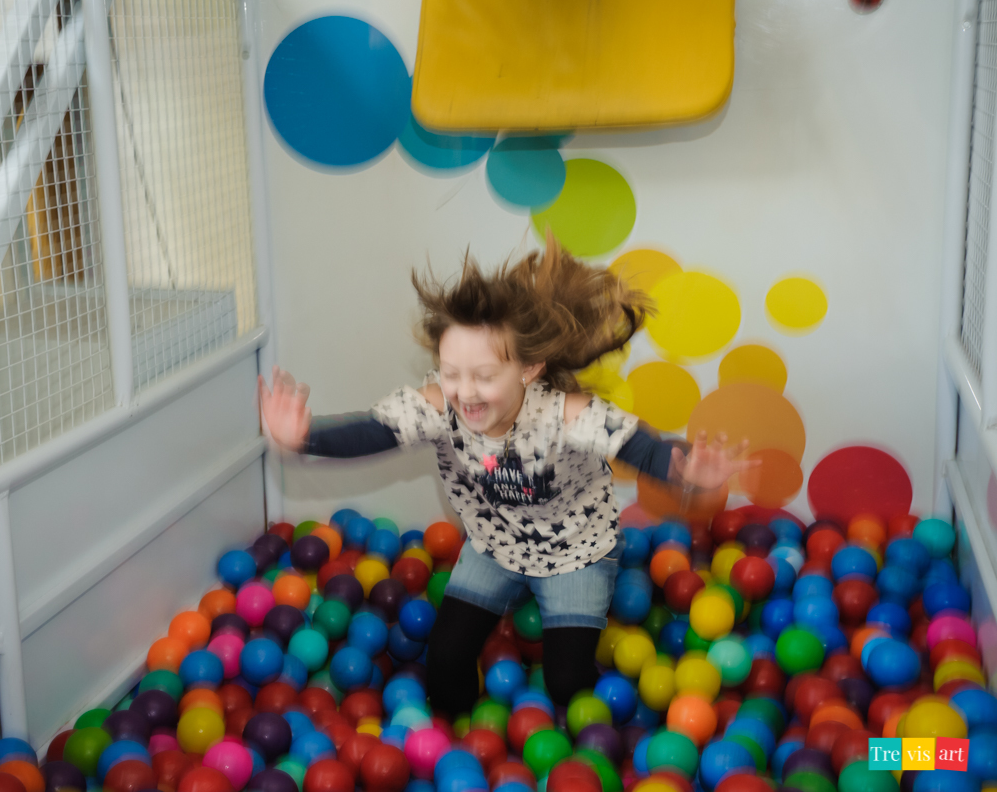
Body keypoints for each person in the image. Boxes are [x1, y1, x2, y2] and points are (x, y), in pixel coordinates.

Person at [258, 236, 751, 716]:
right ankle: (454, 737)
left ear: (528, 368)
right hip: (493, 545)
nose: (465, 392)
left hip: (575, 550)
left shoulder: (565, 414)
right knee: (445, 657)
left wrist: (688, 472)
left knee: (566, 682)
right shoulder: (438, 406)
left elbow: (640, 449)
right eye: (451, 372)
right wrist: (305, 437)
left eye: (485, 376)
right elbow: (376, 431)